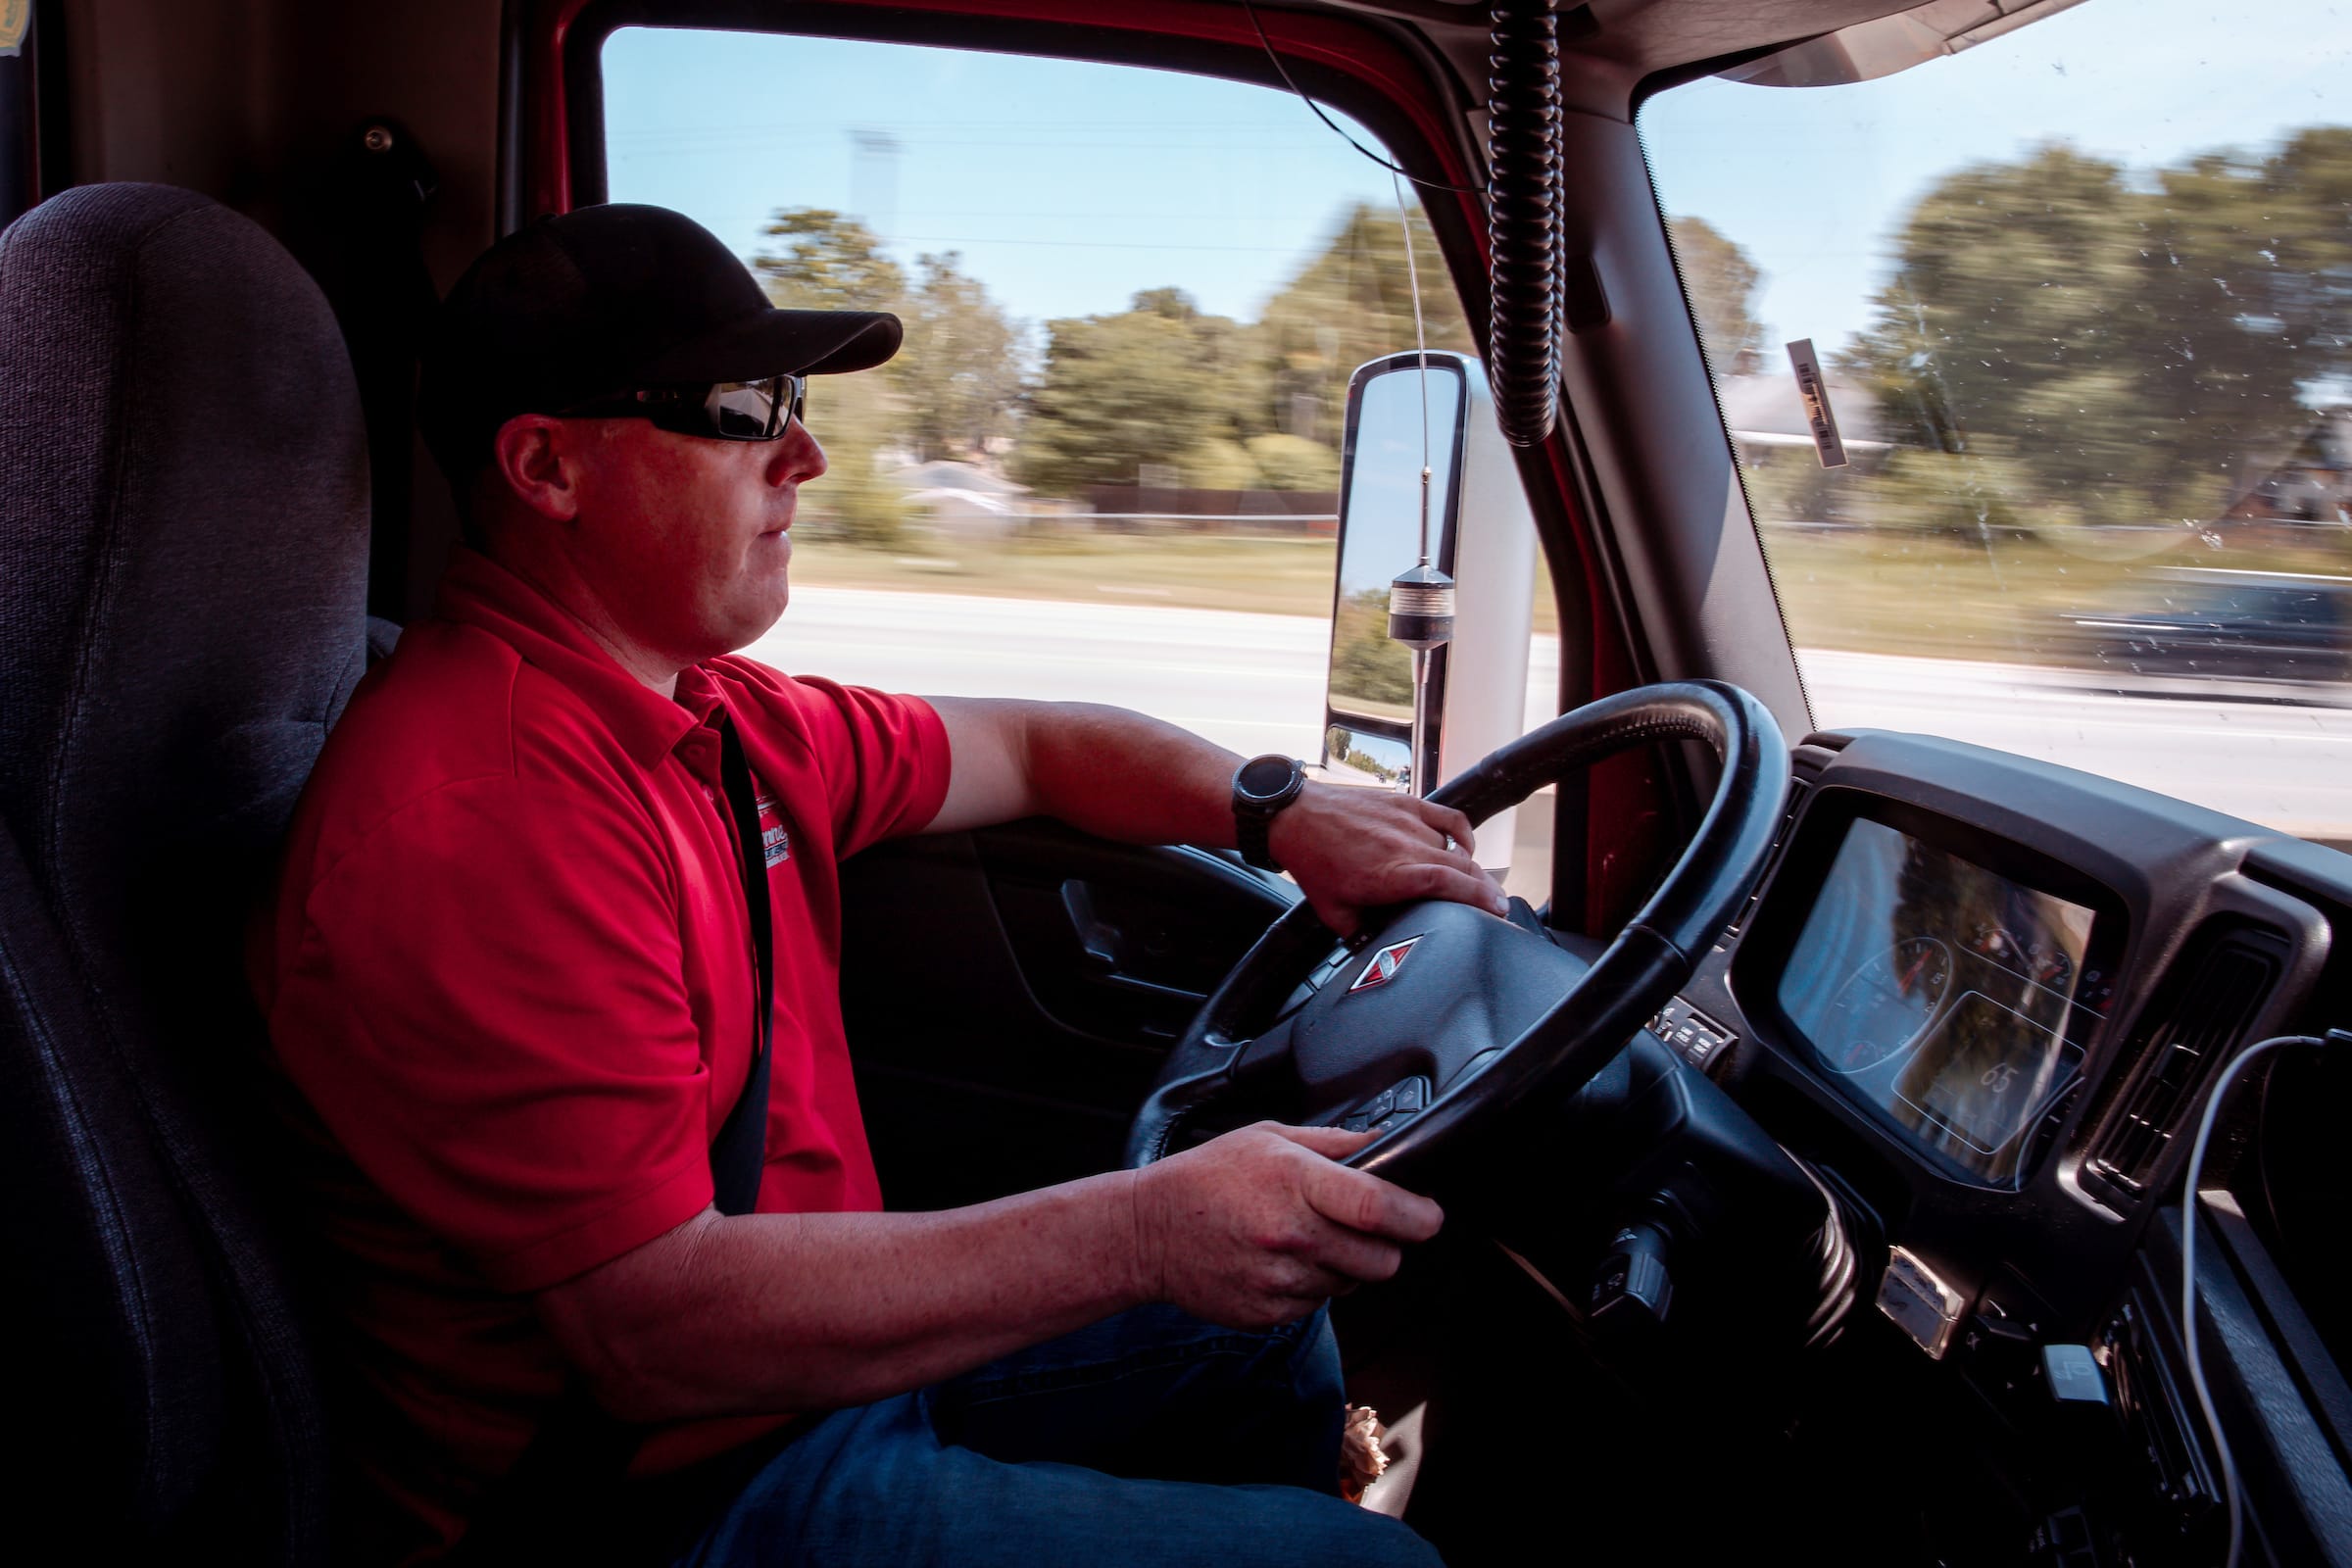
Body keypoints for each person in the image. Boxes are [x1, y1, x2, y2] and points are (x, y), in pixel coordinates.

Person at [253, 204, 1505, 1567]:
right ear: (547, 465)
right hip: (656, 1502)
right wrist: (1146, 1234)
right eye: (740, 408)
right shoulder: (481, 815)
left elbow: (1035, 744)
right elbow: (653, 1330)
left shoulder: (717, 718)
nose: (808, 451)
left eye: (790, 399)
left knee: (1267, 1329)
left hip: (803, 1390)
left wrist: (1282, 810)